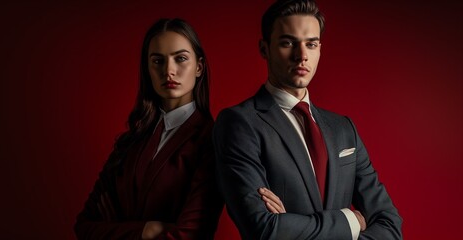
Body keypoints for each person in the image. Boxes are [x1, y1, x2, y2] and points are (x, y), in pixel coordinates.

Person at [212, 0, 403, 239]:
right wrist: (351, 221)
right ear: (264, 49)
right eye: (287, 43)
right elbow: (264, 228)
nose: (301, 55)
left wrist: (289, 225)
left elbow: (390, 225)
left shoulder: (344, 129)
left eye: (311, 44)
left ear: (319, 49)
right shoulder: (239, 124)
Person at [75, 18, 223, 239]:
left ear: (199, 67)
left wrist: (118, 229)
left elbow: (191, 234)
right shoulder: (130, 141)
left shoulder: (212, 140)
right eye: (157, 61)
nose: (169, 71)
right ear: (147, 68)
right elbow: (85, 226)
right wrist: (146, 230)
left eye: (180, 58)